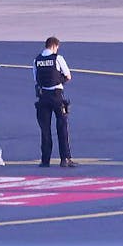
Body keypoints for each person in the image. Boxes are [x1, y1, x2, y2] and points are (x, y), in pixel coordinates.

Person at [34, 36, 76, 167]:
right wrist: (60, 80)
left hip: (43, 97)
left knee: (45, 130)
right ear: (54, 46)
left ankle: (45, 160)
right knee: (62, 128)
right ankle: (65, 158)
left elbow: (36, 79)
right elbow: (68, 76)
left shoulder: (37, 60)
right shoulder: (58, 58)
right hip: (57, 95)